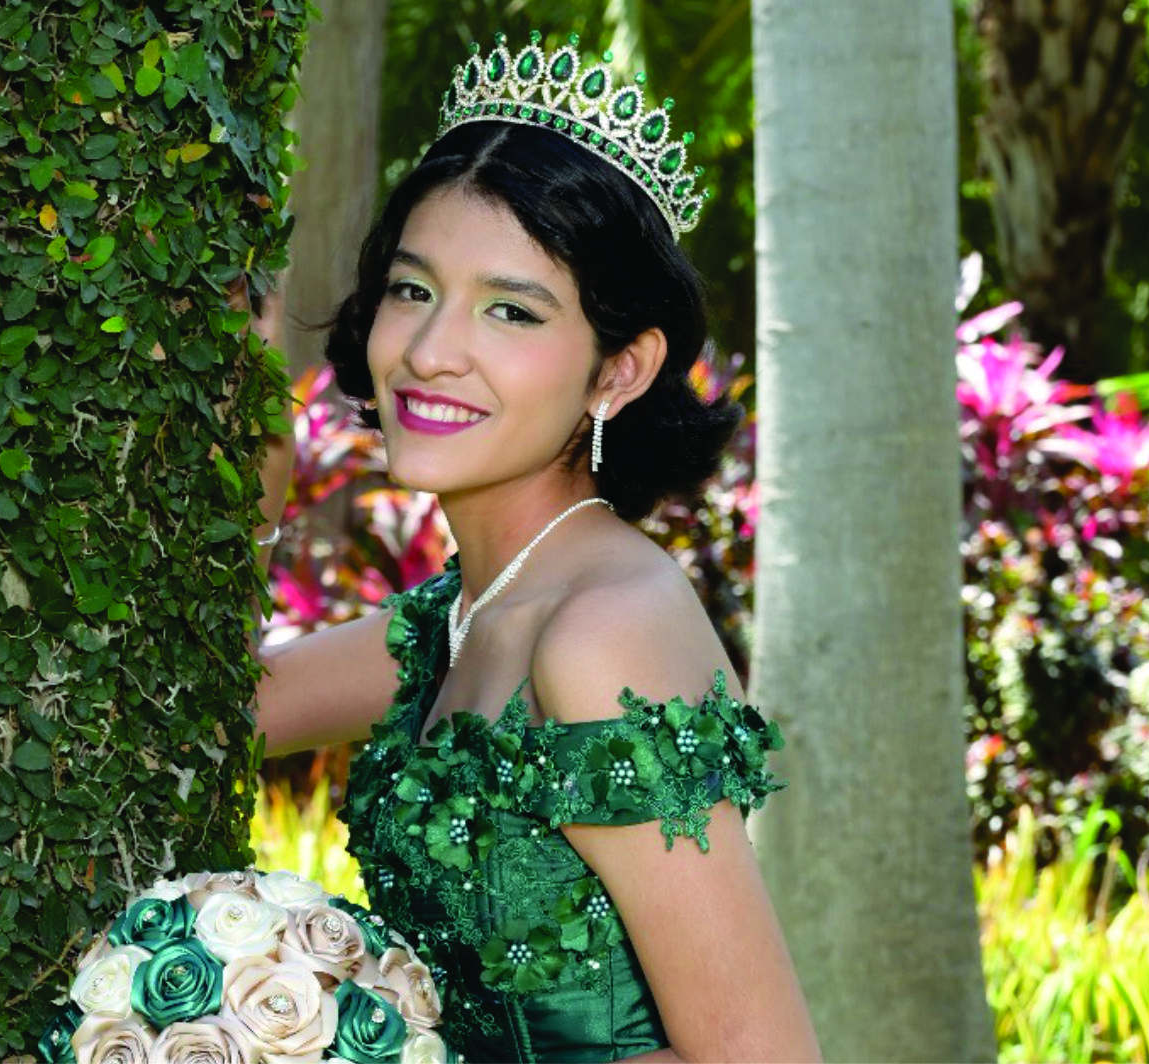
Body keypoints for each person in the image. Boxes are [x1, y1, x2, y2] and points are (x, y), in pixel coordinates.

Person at [252, 31, 821, 1064]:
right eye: (414, 290)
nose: (429, 352)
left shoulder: (601, 629)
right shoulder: (461, 613)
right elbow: (221, 710)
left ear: (619, 370)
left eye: (510, 310)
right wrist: (252, 469)